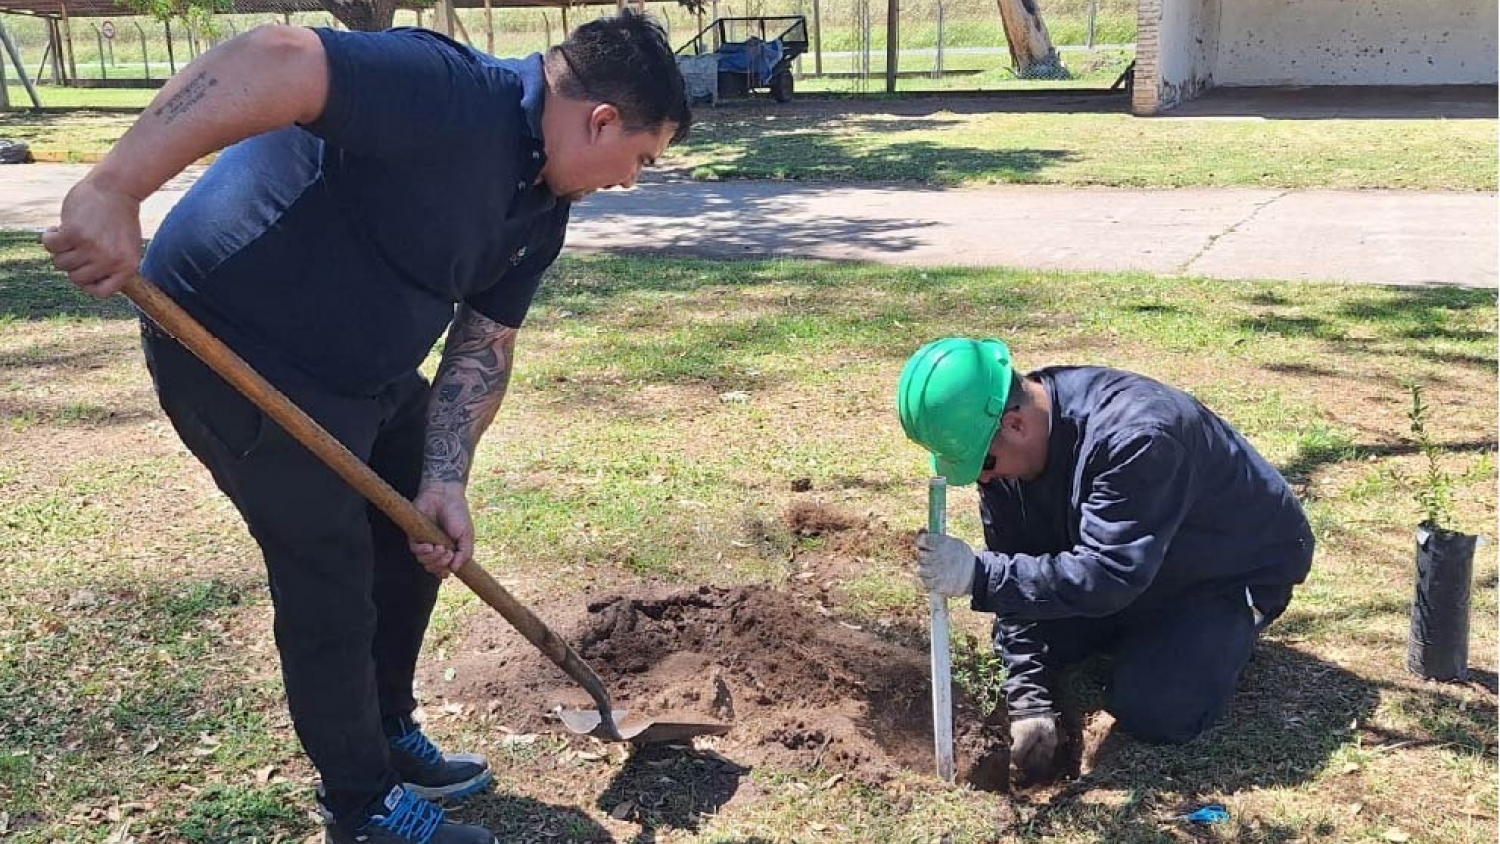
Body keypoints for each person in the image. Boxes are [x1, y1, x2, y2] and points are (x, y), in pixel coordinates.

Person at [44, 13, 690, 844]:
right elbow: (275, 58)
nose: (633, 180)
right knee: (328, 571)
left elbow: (483, 345)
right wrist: (112, 189)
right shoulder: (448, 92)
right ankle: (362, 806)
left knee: (415, 536)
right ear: (600, 118)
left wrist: (444, 476)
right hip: (232, 350)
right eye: (640, 157)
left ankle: (384, 730)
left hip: (366, 376)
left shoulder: (541, 209)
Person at [896, 337, 1314, 784]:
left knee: (1158, 708)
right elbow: (1014, 569)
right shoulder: (1005, 444)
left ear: (1016, 424)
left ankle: (1228, 629)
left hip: (1221, 572)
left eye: (983, 461)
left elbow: (1109, 573)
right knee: (1028, 627)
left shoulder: (1137, 436)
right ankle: (1132, 631)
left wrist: (978, 576)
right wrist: (1029, 699)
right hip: (1128, 565)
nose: (983, 476)